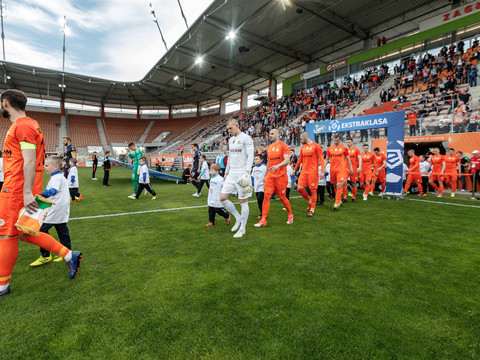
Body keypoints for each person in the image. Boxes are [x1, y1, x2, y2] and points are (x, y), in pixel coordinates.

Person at [0, 89, 82, 297]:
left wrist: (27, 193)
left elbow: (28, 160)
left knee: (7, 234)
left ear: (5, 103)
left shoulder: (24, 125)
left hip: (17, 189)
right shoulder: (27, 125)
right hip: (19, 187)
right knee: (25, 234)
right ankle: (69, 254)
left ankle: (2, 285)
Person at [29, 156, 72, 267]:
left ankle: (46, 255)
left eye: (47, 165)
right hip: (59, 208)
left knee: (41, 231)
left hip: (56, 210)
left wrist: (39, 195)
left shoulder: (57, 177)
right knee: (62, 231)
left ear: (56, 166)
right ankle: (67, 253)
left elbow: (53, 191)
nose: (45, 167)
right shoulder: (57, 176)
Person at [219, 119, 254, 238]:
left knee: (242, 201)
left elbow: (251, 156)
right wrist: (226, 173)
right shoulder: (231, 140)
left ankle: (242, 229)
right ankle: (238, 218)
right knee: (223, 198)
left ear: (237, 126)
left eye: (230, 128)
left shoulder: (246, 138)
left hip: (241, 174)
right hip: (231, 174)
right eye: (228, 129)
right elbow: (230, 157)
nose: (229, 131)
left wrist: (247, 173)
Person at [254, 128, 294, 226]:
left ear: (278, 135)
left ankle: (290, 214)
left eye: (272, 133)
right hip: (270, 176)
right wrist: (266, 174)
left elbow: (287, 160)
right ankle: (263, 219)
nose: (270, 135)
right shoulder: (269, 147)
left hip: (281, 176)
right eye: (269, 134)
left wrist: (277, 166)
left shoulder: (283, 146)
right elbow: (268, 162)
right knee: (266, 197)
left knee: (282, 197)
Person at [294, 132, 325, 216]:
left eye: (301, 139)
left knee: (313, 190)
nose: (300, 140)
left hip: (313, 172)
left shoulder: (316, 146)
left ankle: (312, 209)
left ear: (305, 137)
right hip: (304, 172)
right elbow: (300, 159)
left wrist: (322, 170)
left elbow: (322, 158)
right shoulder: (303, 147)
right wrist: (295, 169)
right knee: (299, 189)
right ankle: (309, 201)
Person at [325, 134, 353, 211]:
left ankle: (336, 202)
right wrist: (323, 168)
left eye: (337, 139)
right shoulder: (329, 148)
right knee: (334, 186)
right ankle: (339, 200)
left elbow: (348, 159)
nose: (336, 140)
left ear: (340, 139)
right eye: (335, 139)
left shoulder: (344, 148)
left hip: (341, 170)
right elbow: (327, 159)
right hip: (333, 170)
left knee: (339, 184)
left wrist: (351, 169)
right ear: (333, 139)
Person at [346, 137, 361, 202]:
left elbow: (360, 158)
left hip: (354, 169)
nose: (348, 143)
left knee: (353, 183)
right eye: (347, 142)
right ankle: (345, 197)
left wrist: (359, 167)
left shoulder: (356, 150)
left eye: (349, 142)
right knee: (344, 183)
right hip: (346, 169)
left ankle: (353, 197)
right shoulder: (344, 149)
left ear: (352, 142)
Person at [252, 153, 267, 219]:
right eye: (255, 159)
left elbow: (267, 175)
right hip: (256, 186)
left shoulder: (264, 167)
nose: (255, 160)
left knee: (260, 199)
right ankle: (263, 210)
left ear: (261, 160)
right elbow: (252, 177)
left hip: (262, 186)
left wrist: (265, 178)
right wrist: (252, 184)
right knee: (259, 200)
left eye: (257, 159)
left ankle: (262, 213)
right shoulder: (254, 168)